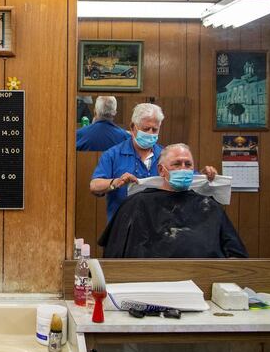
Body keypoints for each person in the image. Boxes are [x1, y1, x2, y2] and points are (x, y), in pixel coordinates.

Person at [98, 143, 248, 258]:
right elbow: (114, 254)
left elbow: (236, 255)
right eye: (176, 164)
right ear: (162, 170)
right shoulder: (137, 204)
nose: (183, 169)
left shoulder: (209, 206)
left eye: (188, 164)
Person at [89, 102, 217, 223]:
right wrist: (116, 182)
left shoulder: (167, 155)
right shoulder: (113, 155)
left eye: (154, 130)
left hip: (160, 229)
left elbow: (189, 179)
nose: (150, 133)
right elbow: (94, 186)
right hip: (123, 227)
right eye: (146, 129)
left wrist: (205, 176)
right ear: (133, 127)